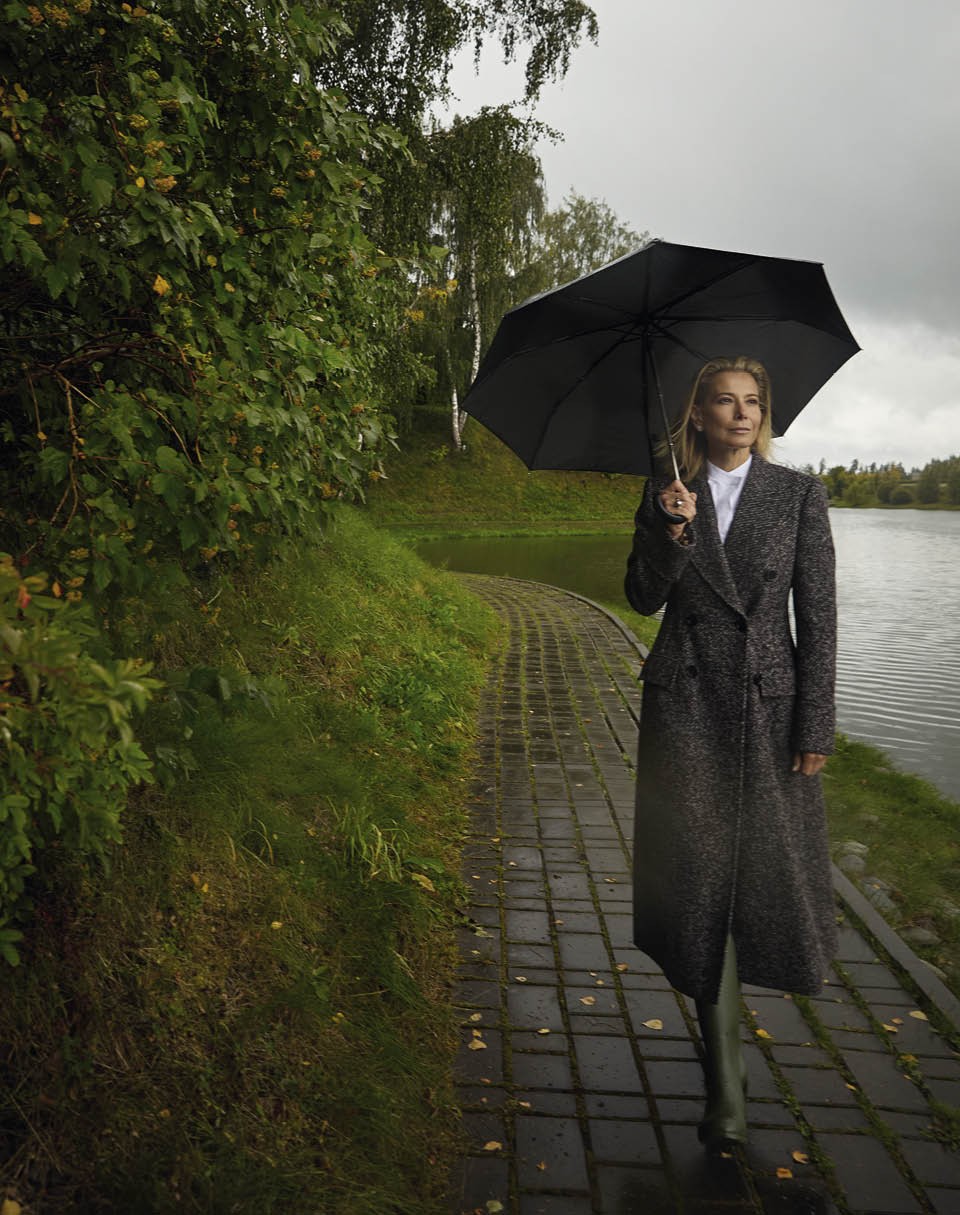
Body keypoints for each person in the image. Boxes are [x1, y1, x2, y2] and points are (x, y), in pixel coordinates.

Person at [623, 355, 838, 1151]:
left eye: (753, 402)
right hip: (685, 704)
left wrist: (815, 722)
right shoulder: (667, 491)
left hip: (766, 706)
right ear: (699, 413)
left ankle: (727, 1063)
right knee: (701, 879)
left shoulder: (799, 495)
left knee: (759, 877)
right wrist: (673, 530)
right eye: (725, 401)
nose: (742, 414)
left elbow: (820, 616)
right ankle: (727, 1081)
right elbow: (642, 596)